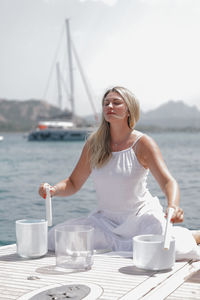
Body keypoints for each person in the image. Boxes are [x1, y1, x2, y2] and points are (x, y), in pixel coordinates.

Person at [39, 86, 200, 259]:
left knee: (163, 250)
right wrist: (54, 190)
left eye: (116, 102)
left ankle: (192, 235)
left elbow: (168, 182)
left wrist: (173, 206)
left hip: (141, 218)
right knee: (56, 239)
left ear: (129, 110)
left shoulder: (143, 143)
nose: (109, 106)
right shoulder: (94, 145)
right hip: (105, 222)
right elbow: (73, 183)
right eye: (106, 103)